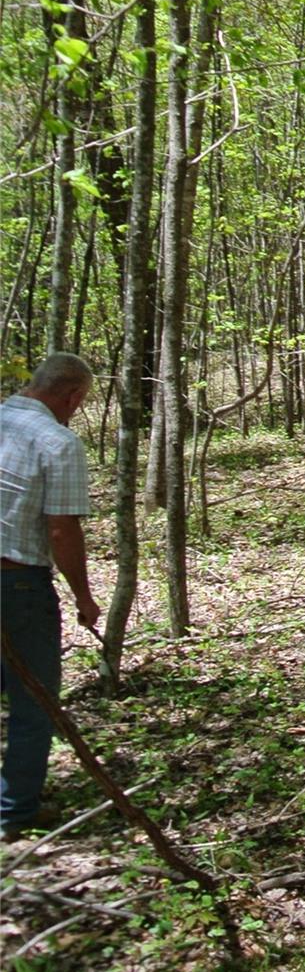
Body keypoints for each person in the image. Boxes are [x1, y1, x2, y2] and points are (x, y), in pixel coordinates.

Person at [1, 352, 100, 840]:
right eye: (79, 402)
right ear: (73, 395)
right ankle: (13, 812)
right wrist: (83, 596)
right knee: (33, 701)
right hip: (18, 586)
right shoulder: (57, 442)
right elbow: (62, 530)